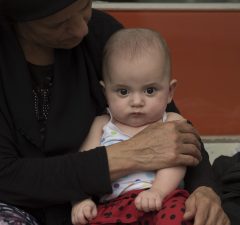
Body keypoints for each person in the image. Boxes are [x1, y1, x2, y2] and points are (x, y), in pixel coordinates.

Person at [0, 0, 230, 225]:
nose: (81, 28)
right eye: (57, 24)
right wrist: (127, 155)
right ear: (17, 21)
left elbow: (174, 133)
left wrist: (204, 189)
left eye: (85, 8)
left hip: (136, 202)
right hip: (29, 206)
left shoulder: (101, 33)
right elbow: (7, 177)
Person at [72, 28, 191, 225]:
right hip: (113, 206)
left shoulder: (172, 121)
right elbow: (83, 166)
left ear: (170, 91)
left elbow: (178, 160)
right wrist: (80, 200)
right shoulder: (102, 124)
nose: (137, 101)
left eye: (150, 90)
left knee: (179, 215)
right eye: (123, 91)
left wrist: (158, 191)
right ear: (105, 92)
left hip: (164, 199)